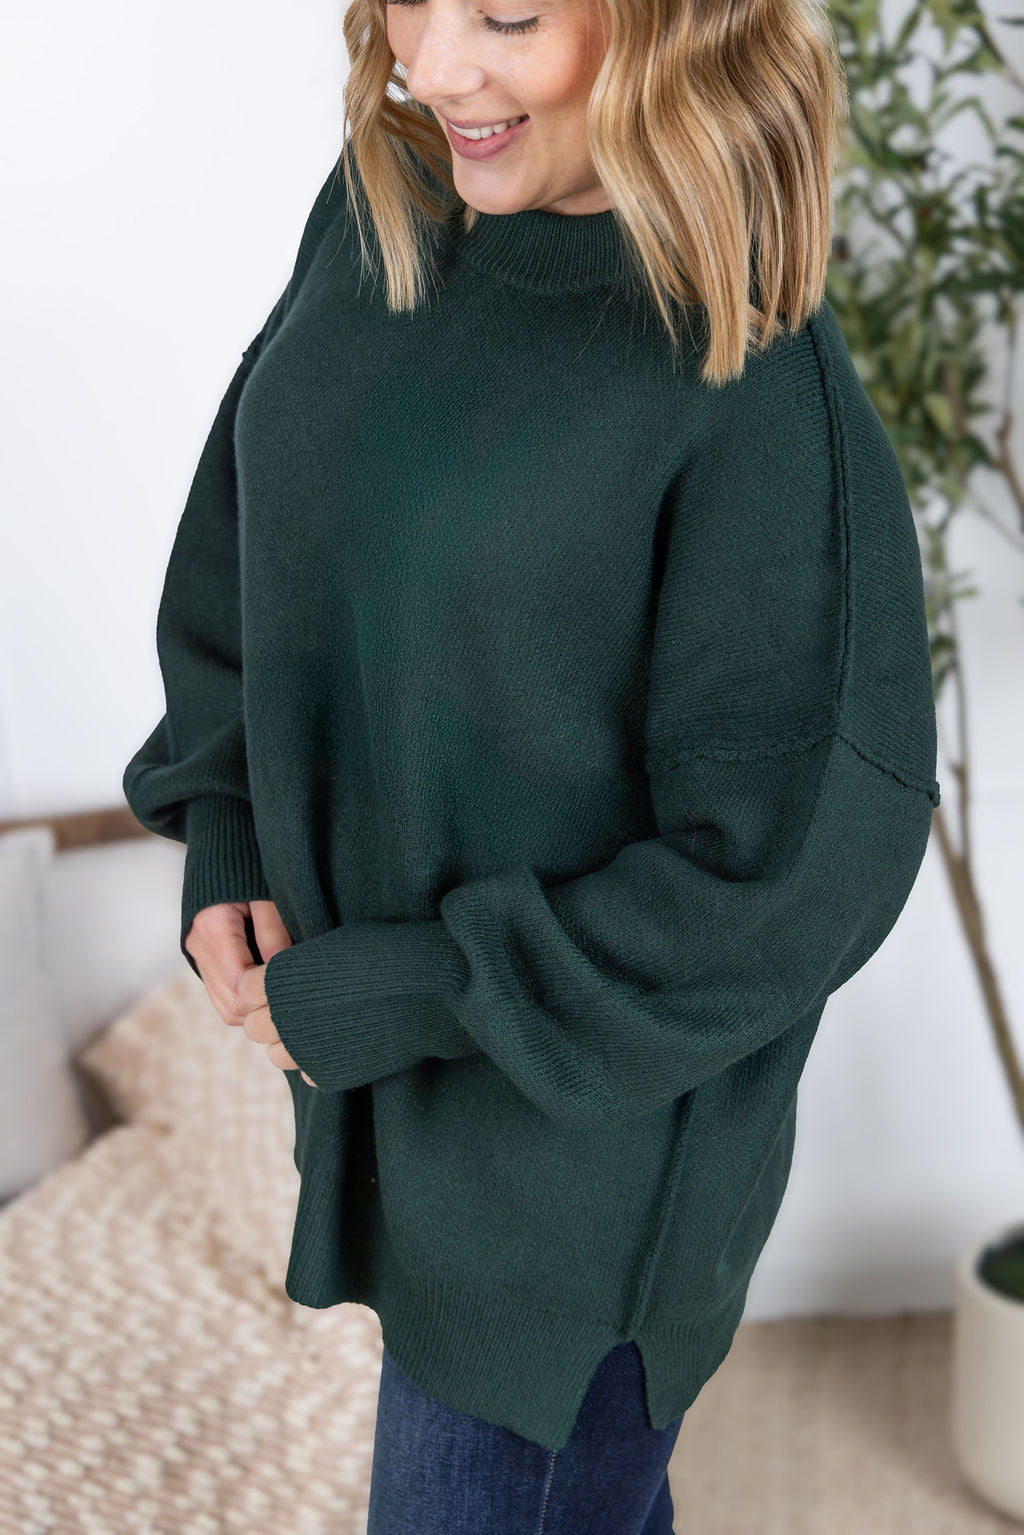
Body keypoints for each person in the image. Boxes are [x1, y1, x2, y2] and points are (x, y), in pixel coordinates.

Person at [121, 0, 941, 1527]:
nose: (433, 67)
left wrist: (416, 985)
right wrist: (223, 821)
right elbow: (254, 529)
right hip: (395, 1119)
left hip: (573, 1201)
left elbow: (793, 874)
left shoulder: (751, 386)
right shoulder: (387, 205)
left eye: (508, 14)